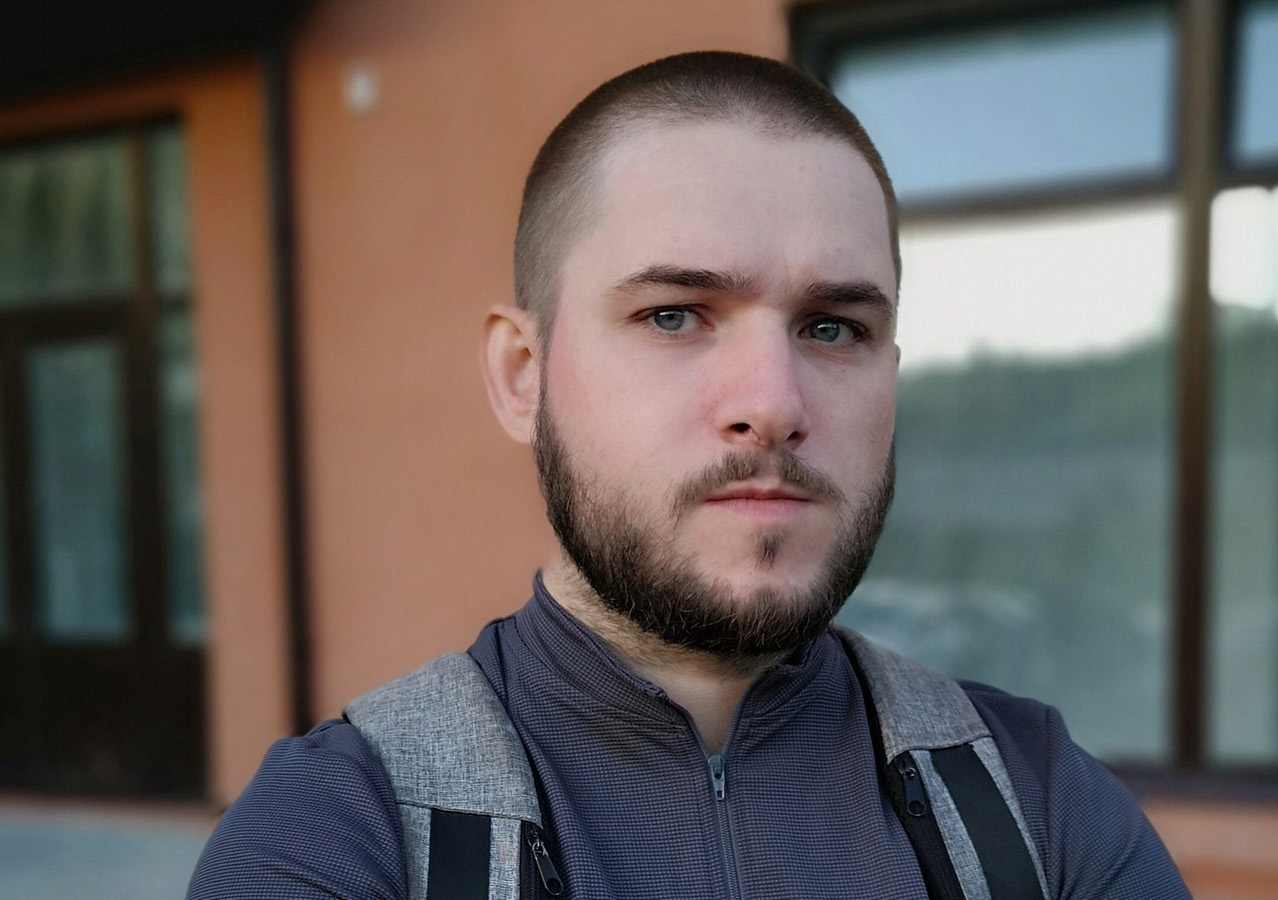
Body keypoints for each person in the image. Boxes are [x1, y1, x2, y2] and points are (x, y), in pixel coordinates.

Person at [188, 51, 1190, 899]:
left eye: (833, 328)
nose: (774, 402)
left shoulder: (1040, 809)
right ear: (523, 375)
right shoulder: (338, 836)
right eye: (673, 315)